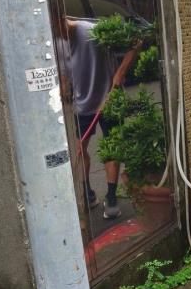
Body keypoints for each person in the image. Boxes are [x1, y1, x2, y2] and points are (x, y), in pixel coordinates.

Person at [56, 15, 141, 219]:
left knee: (111, 148)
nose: (52, 34)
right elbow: (65, 73)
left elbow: (136, 41)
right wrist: (63, 89)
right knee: (80, 147)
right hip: (82, 104)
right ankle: (88, 193)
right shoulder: (57, 42)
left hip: (108, 97)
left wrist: (120, 72)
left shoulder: (93, 31)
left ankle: (111, 197)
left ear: (61, 19)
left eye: (53, 27)